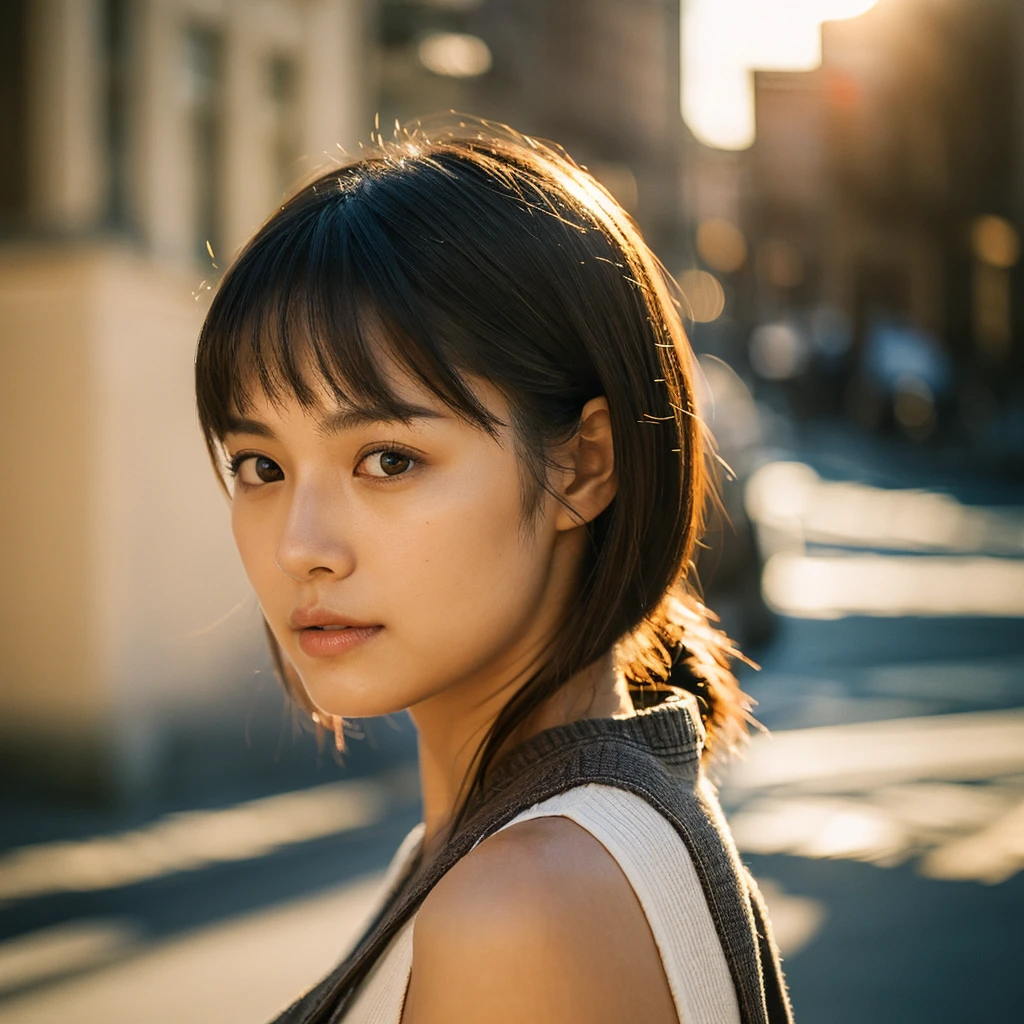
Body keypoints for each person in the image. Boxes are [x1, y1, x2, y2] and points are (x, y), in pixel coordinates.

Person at [194, 120, 793, 1024]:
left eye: (388, 459)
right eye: (261, 468)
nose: (300, 546)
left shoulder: (528, 901)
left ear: (583, 465)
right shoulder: (509, 853)